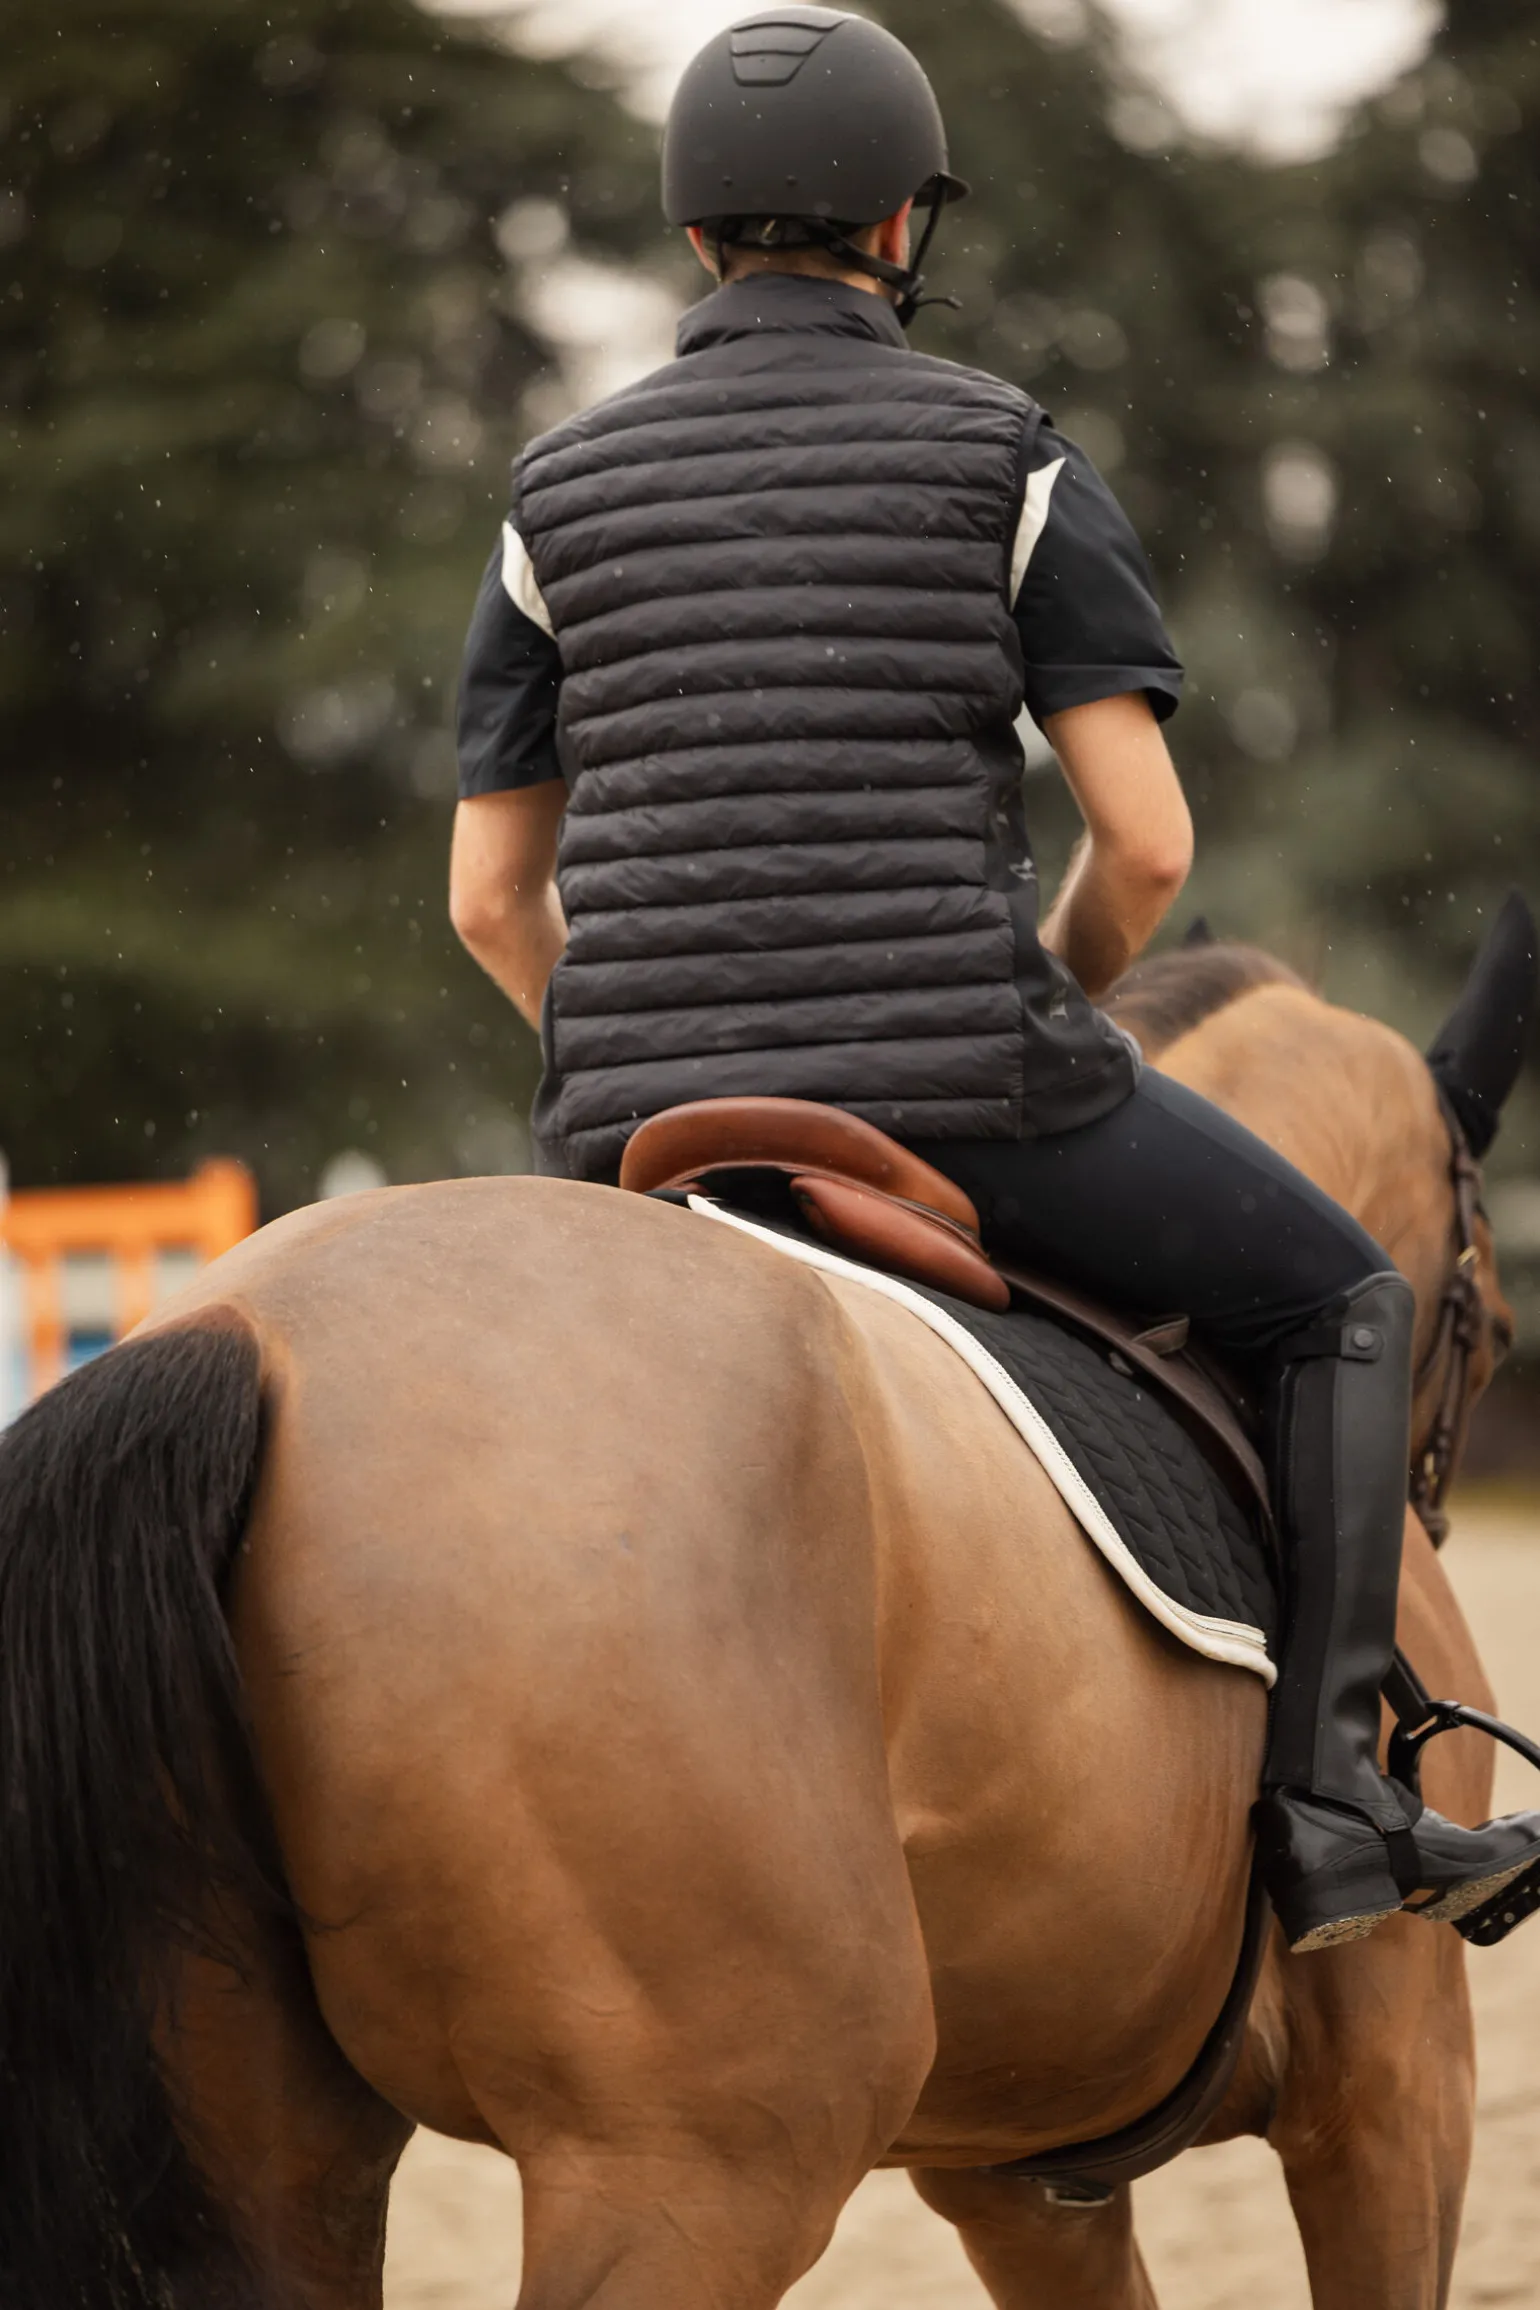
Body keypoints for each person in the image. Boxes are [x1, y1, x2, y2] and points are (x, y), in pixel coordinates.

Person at [449, 5, 1540, 1952]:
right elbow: (1144, 847)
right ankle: (1327, 1810)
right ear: (898, 227)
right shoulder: (999, 454)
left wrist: (628, 1043)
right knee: (1348, 1299)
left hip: (637, 1123)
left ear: (695, 238)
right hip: (959, 1085)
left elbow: (483, 896)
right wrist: (1043, 993)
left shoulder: (554, 496)